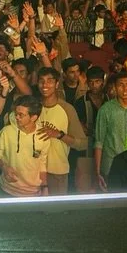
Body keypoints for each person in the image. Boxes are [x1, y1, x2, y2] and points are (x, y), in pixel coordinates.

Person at [34, 66, 86, 195]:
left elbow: (82, 144)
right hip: (32, 170)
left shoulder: (67, 109)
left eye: (50, 81)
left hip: (57, 170)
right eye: (41, 81)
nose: (45, 85)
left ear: (57, 84)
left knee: (56, 206)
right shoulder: (32, 107)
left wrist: (59, 135)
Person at [95, 71, 127, 189]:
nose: (124, 88)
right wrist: (97, 172)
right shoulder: (105, 110)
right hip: (111, 164)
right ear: (115, 88)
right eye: (120, 85)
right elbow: (99, 142)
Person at [0, 96, 49, 197]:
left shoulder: (43, 136)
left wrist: (44, 187)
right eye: (16, 114)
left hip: (33, 193)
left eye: (21, 115)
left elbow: (42, 163)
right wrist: (4, 167)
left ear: (33, 117)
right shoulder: (7, 132)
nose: (17, 117)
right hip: (7, 190)